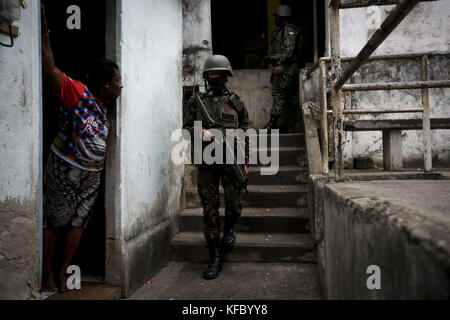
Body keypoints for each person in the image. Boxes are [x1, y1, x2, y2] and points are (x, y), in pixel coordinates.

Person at [40, 4, 123, 293]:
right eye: (117, 81)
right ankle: (48, 272)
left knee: (78, 222)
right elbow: (50, 68)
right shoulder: (77, 92)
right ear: (105, 83)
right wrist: (45, 32)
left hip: (91, 175)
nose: (121, 86)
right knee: (56, 220)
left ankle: (63, 271)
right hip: (65, 167)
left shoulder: (104, 107)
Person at [183, 55, 250, 280]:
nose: (215, 77)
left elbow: (245, 131)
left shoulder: (235, 101)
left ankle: (229, 229)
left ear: (226, 76)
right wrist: (200, 132)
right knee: (209, 210)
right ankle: (215, 256)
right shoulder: (196, 101)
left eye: (219, 74)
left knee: (234, 204)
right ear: (206, 76)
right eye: (211, 74)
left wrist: (245, 161)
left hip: (231, 160)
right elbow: (186, 128)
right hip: (207, 162)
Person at [264, 4, 302, 131]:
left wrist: (280, 64)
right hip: (284, 67)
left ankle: (272, 125)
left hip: (287, 67)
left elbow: (289, 51)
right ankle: (296, 123)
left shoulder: (289, 30)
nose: (275, 19)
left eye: (277, 16)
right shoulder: (279, 32)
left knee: (280, 95)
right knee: (291, 99)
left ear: (282, 16)